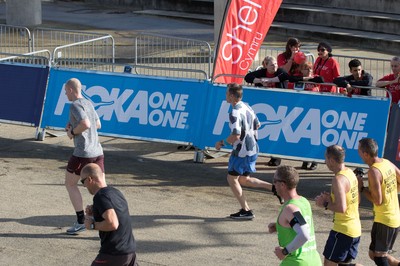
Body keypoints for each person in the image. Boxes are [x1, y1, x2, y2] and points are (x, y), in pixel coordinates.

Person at [215, 82, 273, 220]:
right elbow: (257, 124)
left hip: (241, 152)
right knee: (243, 179)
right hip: (252, 148)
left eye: (227, 94)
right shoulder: (247, 106)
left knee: (232, 178)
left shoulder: (234, 112)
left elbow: (236, 135)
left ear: (232, 96)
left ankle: (246, 210)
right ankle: (274, 188)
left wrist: (222, 142)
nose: (226, 96)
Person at [64, 78, 105, 235]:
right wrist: (73, 126)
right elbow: (98, 124)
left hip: (83, 153)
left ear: (72, 90)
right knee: (102, 188)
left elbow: (86, 124)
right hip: (98, 151)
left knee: (70, 184)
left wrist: (73, 132)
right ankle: (109, 219)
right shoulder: (88, 102)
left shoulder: (74, 105)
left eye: (66, 91)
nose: (65, 94)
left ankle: (81, 221)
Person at [81, 163, 138, 266]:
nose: (84, 186)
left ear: (90, 179)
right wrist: (96, 212)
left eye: (83, 181)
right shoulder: (115, 192)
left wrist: (92, 225)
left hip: (113, 253)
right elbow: (118, 215)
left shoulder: (100, 197)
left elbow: (112, 223)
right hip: (129, 251)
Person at [315, 145, 362, 266]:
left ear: (331, 160)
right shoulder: (350, 173)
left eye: (325, 158)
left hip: (342, 231)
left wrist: (324, 203)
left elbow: (342, 208)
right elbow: (356, 200)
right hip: (354, 229)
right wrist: (331, 199)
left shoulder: (338, 179)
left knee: (329, 264)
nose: (324, 162)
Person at [357, 138, 400, 266]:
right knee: (373, 254)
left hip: (385, 219)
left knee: (380, 257)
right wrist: (390, 189)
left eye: (359, 151)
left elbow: (377, 200)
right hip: (391, 217)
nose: (358, 153)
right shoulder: (386, 162)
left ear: (365, 154)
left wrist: (362, 189)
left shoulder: (374, 171)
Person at [268, 165, 322, 265]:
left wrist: (285, 252)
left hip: (296, 262)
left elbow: (304, 235)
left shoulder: (290, 209)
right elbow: (301, 224)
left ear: (283, 185)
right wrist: (279, 226)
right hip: (314, 260)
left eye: (275, 180)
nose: (273, 184)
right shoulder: (303, 201)